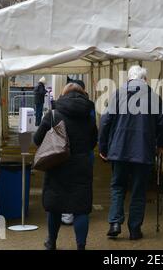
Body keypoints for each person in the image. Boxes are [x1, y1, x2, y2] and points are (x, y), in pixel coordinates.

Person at [99, 65, 163, 240]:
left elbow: (105, 121)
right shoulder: (153, 97)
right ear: (144, 80)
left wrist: (103, 147)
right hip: (143, 151)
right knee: (139, 190)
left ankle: (115, 223)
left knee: (118, 187)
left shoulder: (117, 95)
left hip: (118, 150)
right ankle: (134, 229)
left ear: (128, 80)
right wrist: (161, 144)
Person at [34, 82, 98, 250]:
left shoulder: (54, 114)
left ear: (63, 95)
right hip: (82, 166)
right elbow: (93, 142)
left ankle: (51, 242)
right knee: (81, 208)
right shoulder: (89, 117)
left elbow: (37, 139)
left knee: (55, 206)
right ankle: (81, 246)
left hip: (57, 165)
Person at [61, 79, 96, 226]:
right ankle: (80, 242)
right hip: (84, 155)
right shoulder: (89, 110)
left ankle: (66, 214)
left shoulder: (58, 110)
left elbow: (40, 138)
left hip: (62, 155)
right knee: (81, 188)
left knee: (64, 185)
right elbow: (94, 136)